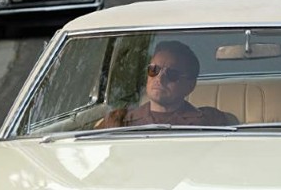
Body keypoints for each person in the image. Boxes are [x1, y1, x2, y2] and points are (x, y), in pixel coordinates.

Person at [98, 40, 238, 128]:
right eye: (154, 70)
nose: (160, 78)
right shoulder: (119, 121)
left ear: (190, 85)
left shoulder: (211, 121)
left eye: (172, 74)